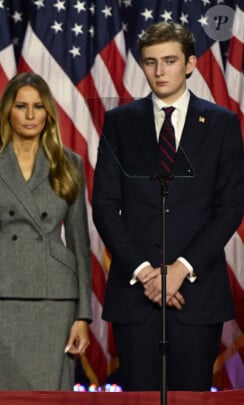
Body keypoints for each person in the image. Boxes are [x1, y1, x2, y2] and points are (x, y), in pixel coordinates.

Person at [92, 22, 244, 391]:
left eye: (170, 61)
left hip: (197, 293)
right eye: (150, 62)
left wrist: (181, 269)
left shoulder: (222, 123)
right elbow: (105, 207)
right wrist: (147, 273)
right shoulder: (119, 122)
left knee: (191, 397)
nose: (160, 71)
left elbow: (230, 206)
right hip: (135, 296)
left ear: (190, 64)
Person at [0, 72, 92, 390]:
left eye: (38, 106)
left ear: (49, 113)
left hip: (54, 299)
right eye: (21, 106)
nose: (31, 115)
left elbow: (79, 243)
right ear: (8, 111)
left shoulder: (69, 163)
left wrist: (83, 316)